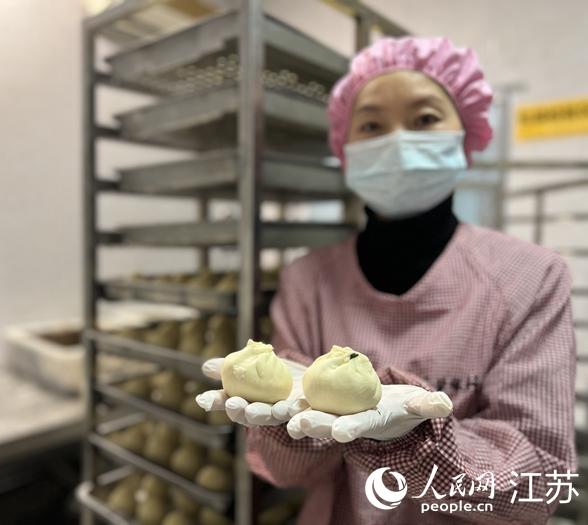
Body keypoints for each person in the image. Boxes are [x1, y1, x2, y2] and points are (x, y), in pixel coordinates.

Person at [197, 36, 577, 524]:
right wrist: (286, 428)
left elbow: (538, 486)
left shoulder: (530, 277)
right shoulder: (308, 280)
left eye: (425, 119)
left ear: (466, 135)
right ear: (345, 147)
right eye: (372, 125)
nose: (397, 141)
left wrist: (416, 442)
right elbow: (286, 473)